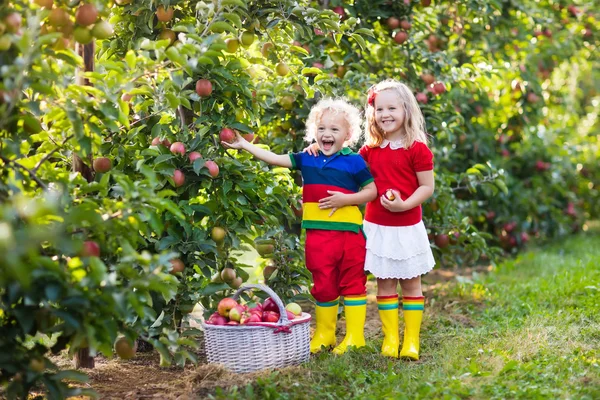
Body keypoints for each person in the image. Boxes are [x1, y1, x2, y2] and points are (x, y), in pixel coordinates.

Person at [222, 98, 378, 355]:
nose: (327, 134)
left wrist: (346, 199)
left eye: (335, 130)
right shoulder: (308, 158)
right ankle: (326, 334)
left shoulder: (354, 162)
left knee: (352, 283)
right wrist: (244, 145)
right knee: (323, 283)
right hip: (317, 234)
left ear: (348, 135)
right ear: (314, 132)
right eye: (322, 129)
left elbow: (371, 191)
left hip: (349, 234)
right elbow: (274, 158)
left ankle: (354, 336)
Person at [305, 80, 435, 360]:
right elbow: (340, 156)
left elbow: (427, 187)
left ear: (406, 110)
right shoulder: (368, 151)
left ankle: (411, 339)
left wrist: (405, 205)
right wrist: (316, 147)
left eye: (392, 108)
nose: (385, 114)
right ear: (372, 113)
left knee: (412, 283)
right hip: (377, 228)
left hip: (407, 227)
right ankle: (391, 338)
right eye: (379, 108)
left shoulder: (417, 148)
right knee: (385, 283)